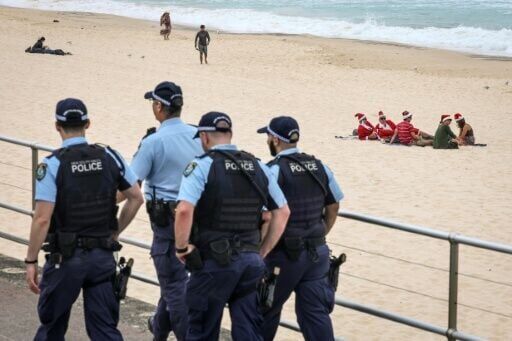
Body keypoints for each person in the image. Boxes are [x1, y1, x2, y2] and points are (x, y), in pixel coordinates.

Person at [25, 98, 144, 340]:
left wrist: (30, 260)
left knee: (52, 327)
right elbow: (136, 198)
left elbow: (41, 219)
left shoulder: (52, 164)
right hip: (102, 257)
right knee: (105, 330)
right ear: (87, 124)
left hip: (65, 260)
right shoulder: (110, 155)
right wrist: (115, 231)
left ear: (57, 126)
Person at [174, 111, 290, 340]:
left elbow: (184, 210)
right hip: (250, 263)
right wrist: (262, 251)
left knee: (202, 331)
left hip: (212, 263)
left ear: (205, 137)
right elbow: (282, 212)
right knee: (248, 330)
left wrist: (181, 247)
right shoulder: (258, 166)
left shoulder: (202, 166)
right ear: (231, 134)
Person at [257, 116, 344, 341]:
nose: (267, 140)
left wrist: (261, 250)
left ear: (275, 139)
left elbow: (266, 215)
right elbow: (334, 204)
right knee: (315, 315)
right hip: (317, 254)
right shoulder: (319, 166)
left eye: (267, 136)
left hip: (283, 256)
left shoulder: (273, 170)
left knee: (264, 311)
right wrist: (321, 231)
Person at [128, 81, 203, 341]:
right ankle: (158, 332)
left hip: (166, 223)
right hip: (196, 218)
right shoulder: (198, 135)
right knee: (172, 286)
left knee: (173, 286)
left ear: (159, 107)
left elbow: (130, 186)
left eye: (153, 103)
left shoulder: (153, 141)